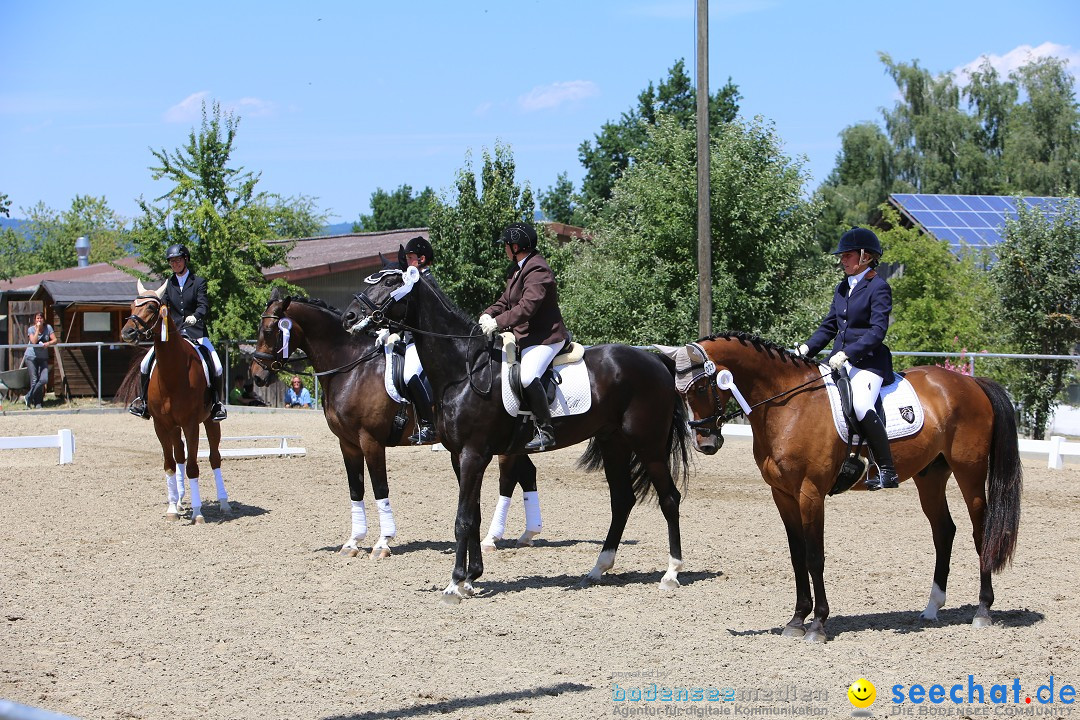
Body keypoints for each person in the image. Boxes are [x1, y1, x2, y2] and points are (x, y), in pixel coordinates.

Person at [797, 227, 899, 490]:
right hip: (838, 361)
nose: (842, 260)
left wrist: (849, 353)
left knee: (862, 405)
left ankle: (887, 469)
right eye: (842, 256)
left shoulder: (879, 286)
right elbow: (829, 326)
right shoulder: (842, 287)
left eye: (847, 255)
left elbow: (878, 331)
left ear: (865, 257)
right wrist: (807, 349)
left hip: (868, 362)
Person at [479, 222, 570, 452]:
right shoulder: (517, 268)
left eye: (506, 246)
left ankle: (545, 432)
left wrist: (498, 323)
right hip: (526, 337)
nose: (504, 249)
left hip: (545, 338)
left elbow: (527, 307)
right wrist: (488, 313)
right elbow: (505, 300)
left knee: (528, 377)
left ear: (516, 246)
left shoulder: (537, 270)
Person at [128, 243, 227, 421]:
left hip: (197, 333)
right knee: (145, 364)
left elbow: (203, 305)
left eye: (178, 260)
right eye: (172, 261)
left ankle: (216, 404)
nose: (175, 264)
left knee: (217, 365)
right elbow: (163, 306)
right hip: (174, 335)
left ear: (185, 260)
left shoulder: (198, 282)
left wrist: (196, 316)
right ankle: (143, 402)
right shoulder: (168, 285)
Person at [401, 235, 437, 444]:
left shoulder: (427, 282)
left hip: (422, 341)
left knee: (410, 375)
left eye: (411, 257)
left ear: (422, 259)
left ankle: (428, 425)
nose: (408, 262)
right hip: (408, 338)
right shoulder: (411, 281)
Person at [25, 311, 57, 409]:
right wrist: (37, 329)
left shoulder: (48, 328)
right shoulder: (31, 329)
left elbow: (55, 340)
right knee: (34, 380)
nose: (39, 320)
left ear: (44, 319)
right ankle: (37, 402)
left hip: (43, 357)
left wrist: (48, 344)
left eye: (41, 318)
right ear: (35, 320)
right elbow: (34, 341)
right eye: (37, 318)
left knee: (44, 379)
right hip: (31, 357)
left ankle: (28, 396)